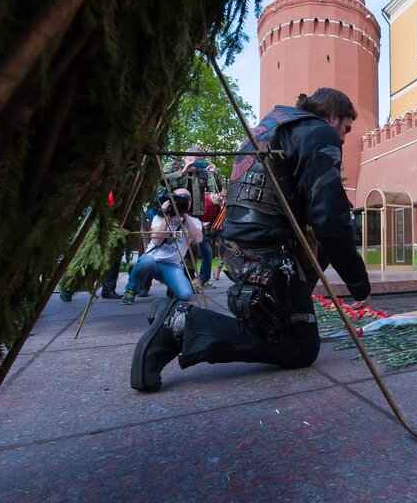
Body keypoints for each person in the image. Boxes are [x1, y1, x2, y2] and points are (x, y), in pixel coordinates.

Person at [131, 88, 371, 392]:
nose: (343, 139)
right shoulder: (318, 131)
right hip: (268, 252)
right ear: (333, 116)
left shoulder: (269, 128)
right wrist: (358, 283)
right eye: (346, 129)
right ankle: (181, 324)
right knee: (300, 346)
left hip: (239, 248)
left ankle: (275, 311)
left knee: (282, 326)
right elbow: (330, 221)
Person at [120, 189, 203, 305]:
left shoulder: (194, 221)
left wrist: (185, 216)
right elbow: (157, 240)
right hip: (152, 261)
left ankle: (171, 286)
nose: (180, 202)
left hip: (172, 266)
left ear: (190, 202)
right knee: (145, 261)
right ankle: (131, 290)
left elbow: (198, 239)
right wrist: (167, 215)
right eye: (177, 199)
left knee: (185, 295)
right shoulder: (159, 217)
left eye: (185, 199)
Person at [162, 146, 223, 288]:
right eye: (191, 160)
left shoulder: (203, 173)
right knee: (164, 246)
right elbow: (163, 181)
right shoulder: (172, 166)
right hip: (172, 213)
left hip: (194, 215)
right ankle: (140, 285)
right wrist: (182, 172)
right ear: (184, 158)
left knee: (198, 249)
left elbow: (217, 189)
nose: (194, 163)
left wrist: (216, 175)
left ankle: (194, 281)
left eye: (197, 161)